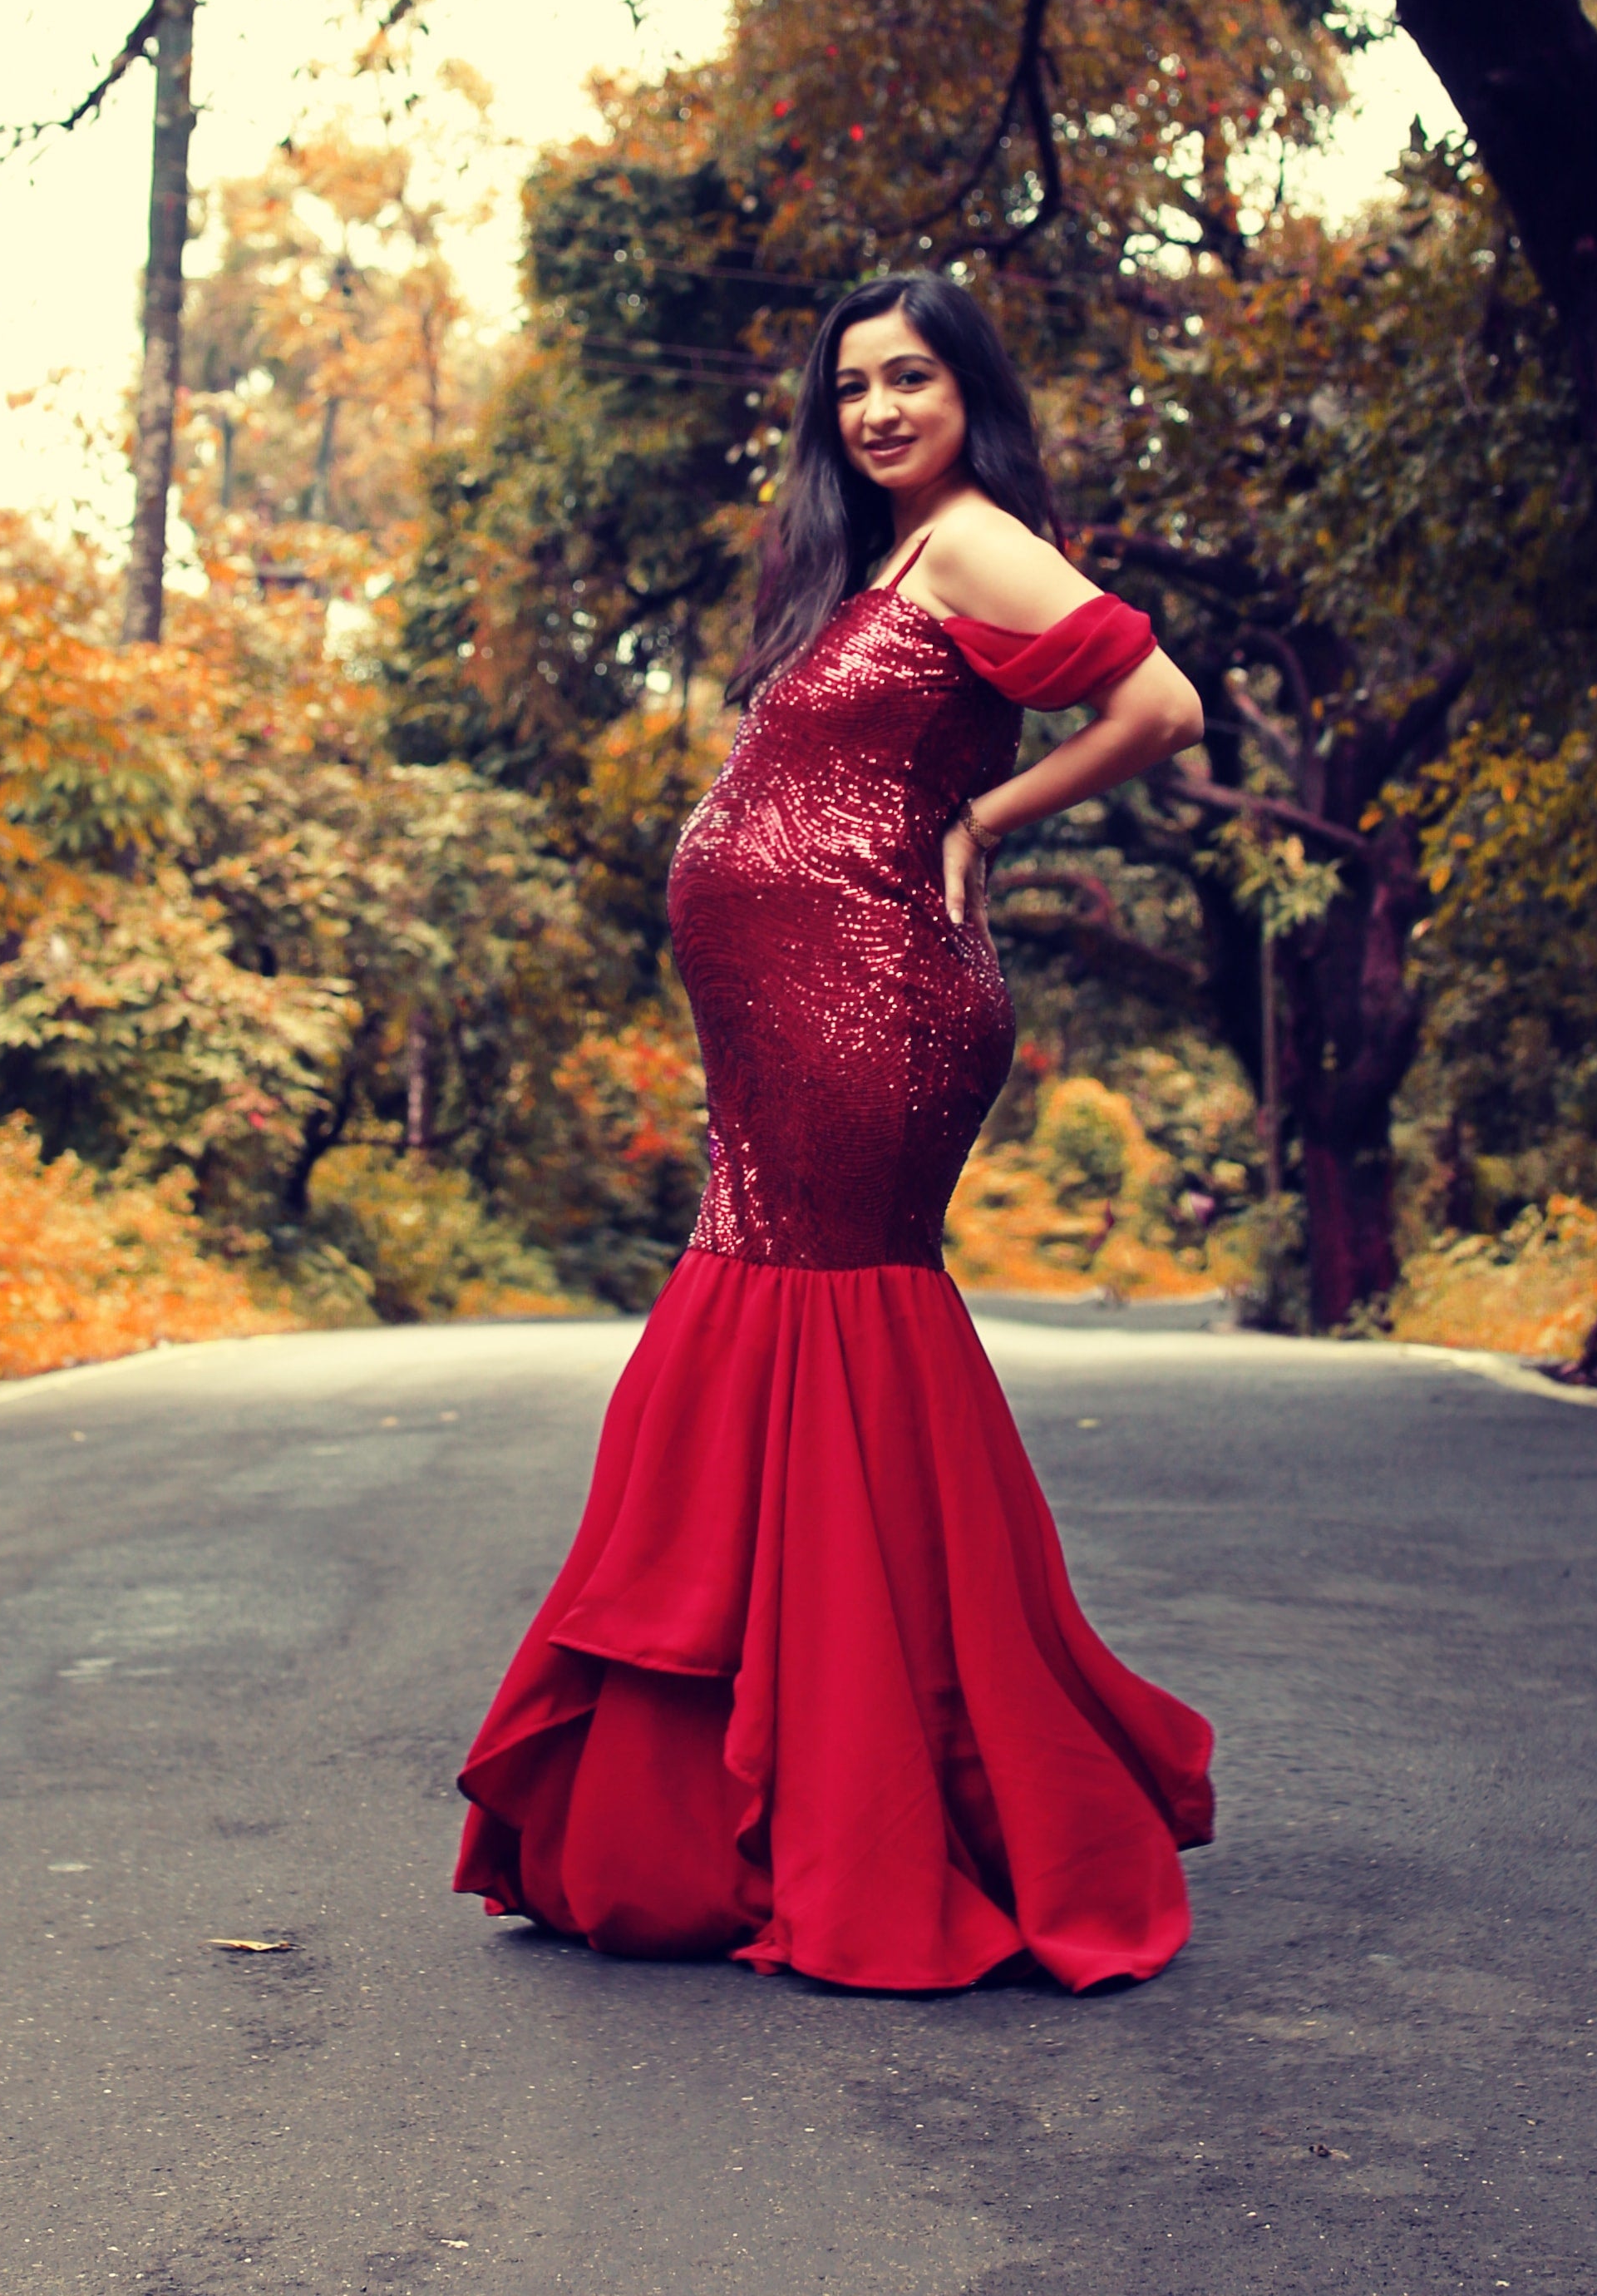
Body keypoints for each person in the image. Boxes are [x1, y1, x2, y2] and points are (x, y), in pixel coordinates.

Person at [452, 271, 1218, 1993]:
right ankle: (774, 1788)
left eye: (911, 378)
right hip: (784, 1014)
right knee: (777, 1334)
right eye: (853, 384)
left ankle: (870, 1804)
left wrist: (983, 821)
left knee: (817, 1317)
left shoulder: (969, 541)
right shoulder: (862, 566)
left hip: (874, 1002)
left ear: (969, 396)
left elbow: (1158, 706)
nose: (877, 409)